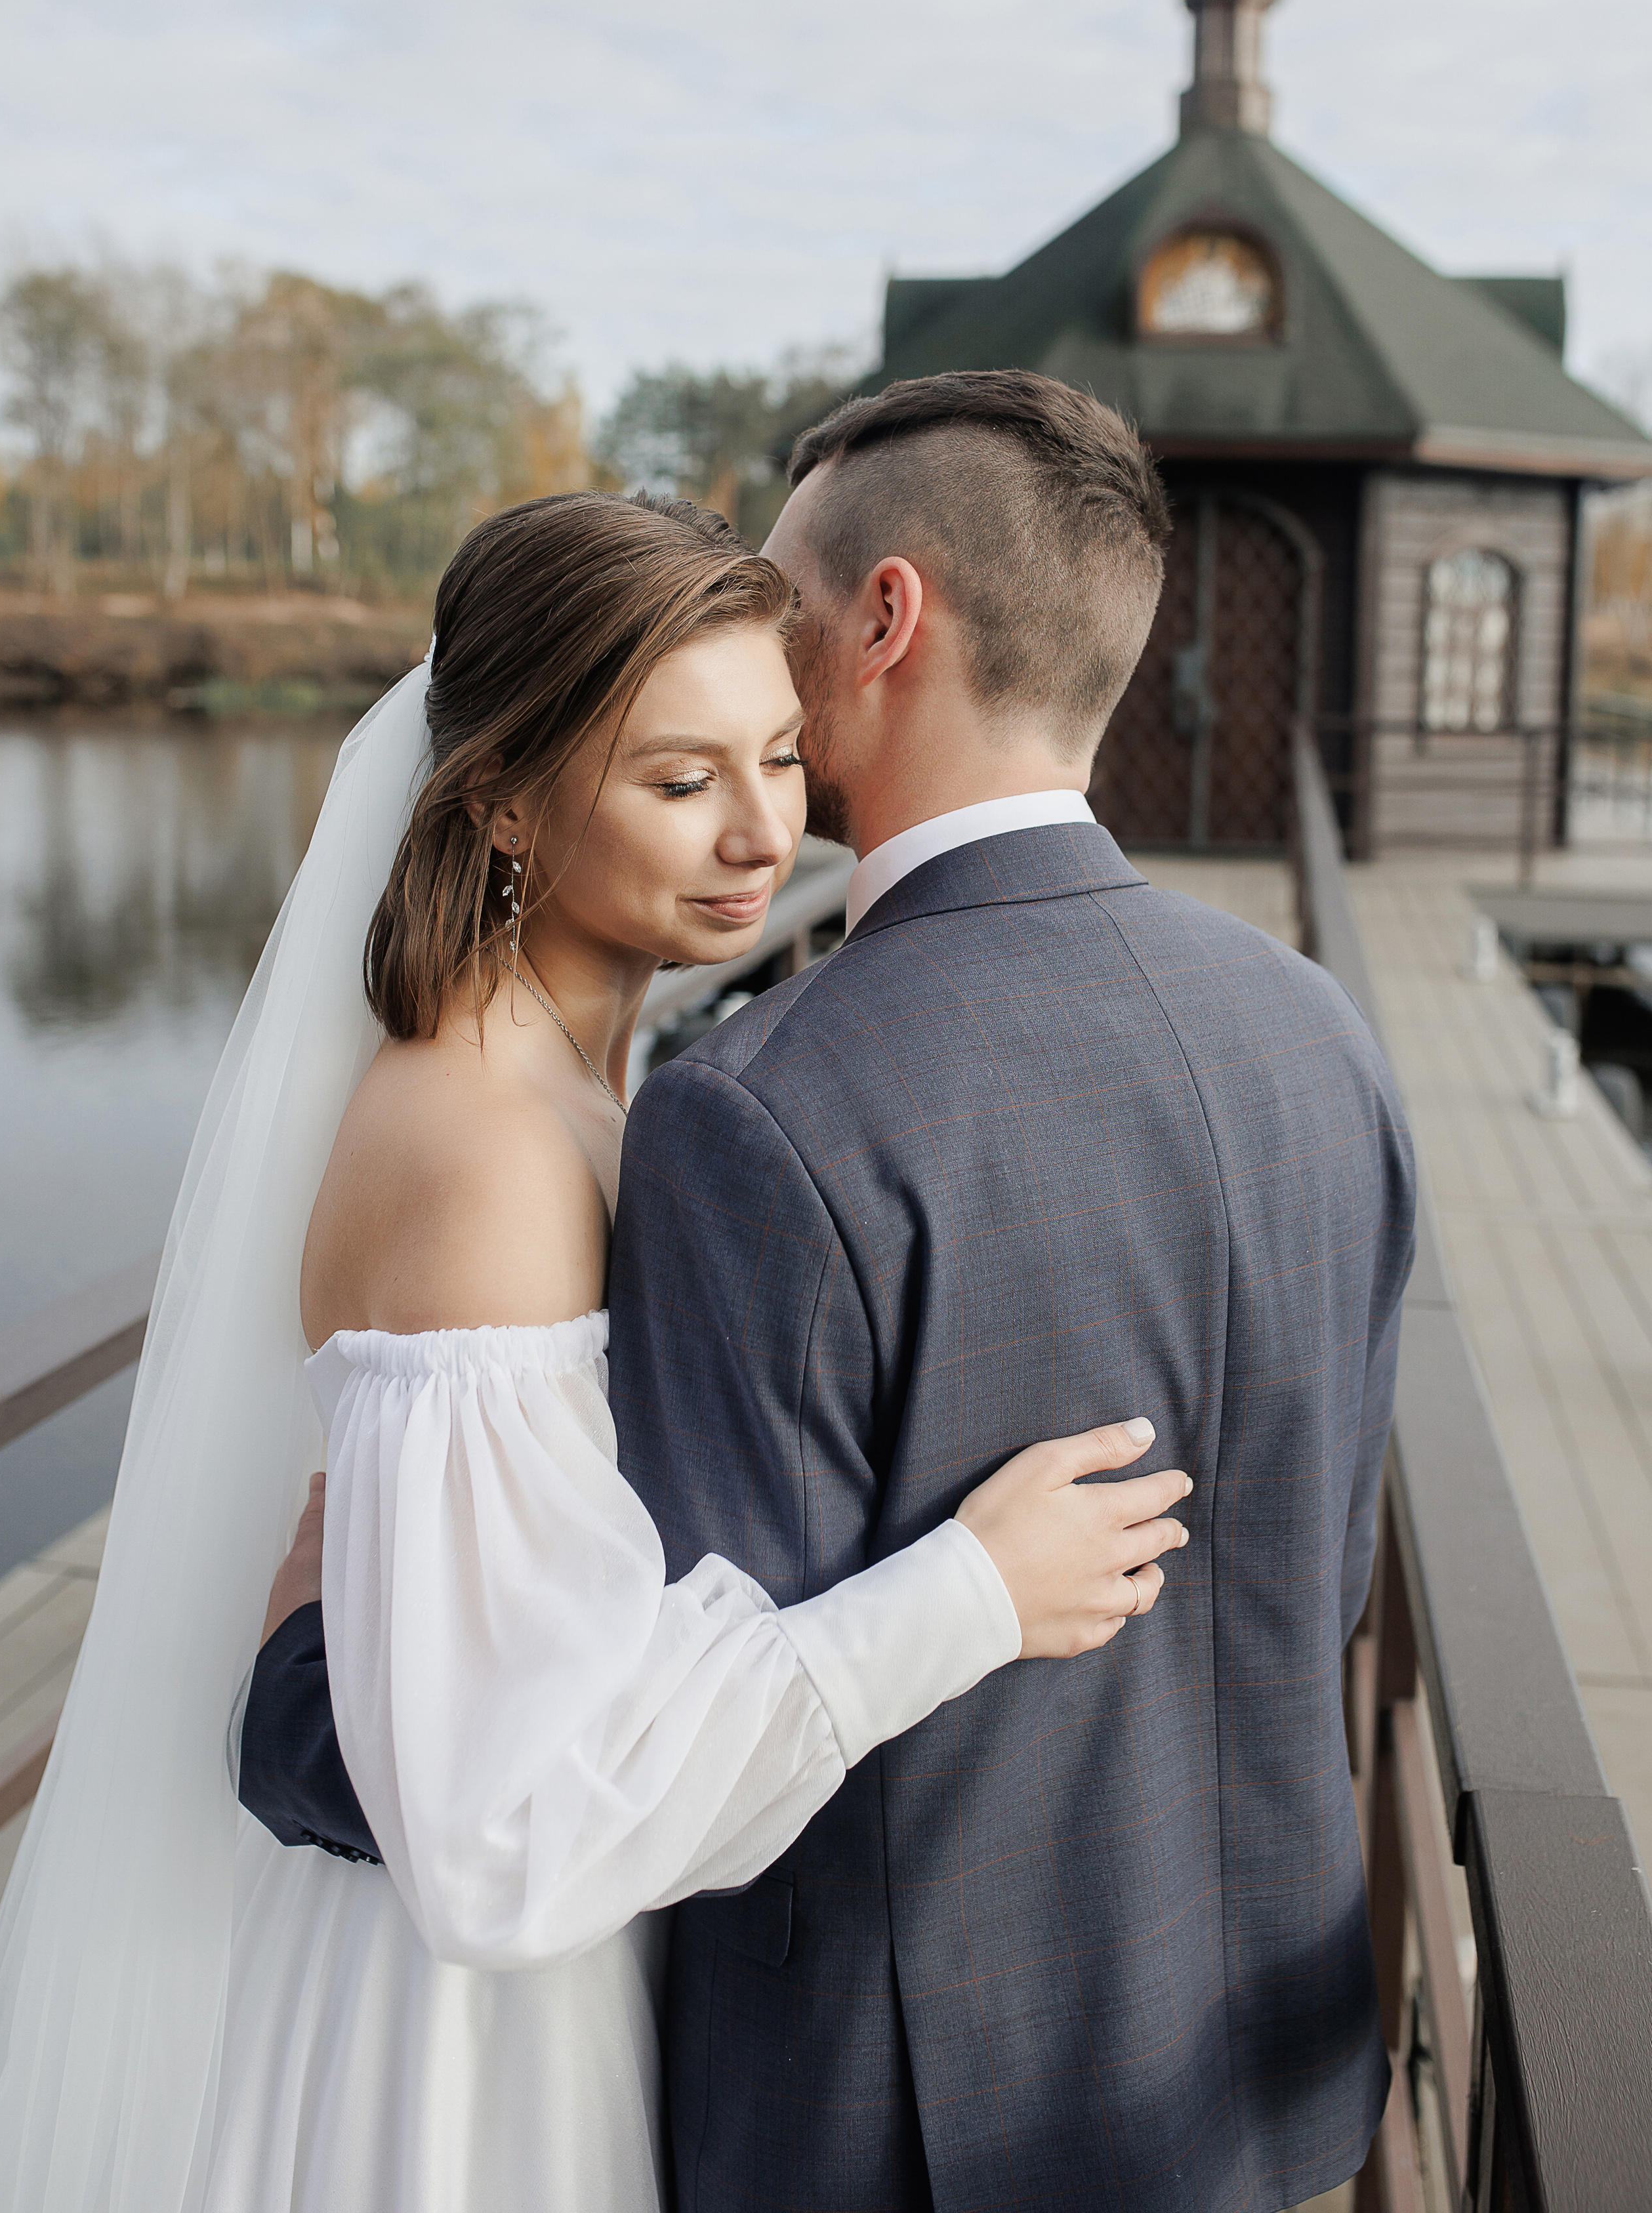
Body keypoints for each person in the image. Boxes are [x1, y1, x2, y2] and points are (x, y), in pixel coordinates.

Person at [250, 368, 1418, 2212]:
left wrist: (311, 1704)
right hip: (1249, 2074)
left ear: (885, 620)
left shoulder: (761, 1117)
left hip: (912, 2125)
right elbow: (1308, 1581)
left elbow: (623, 1722)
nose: (767, 684)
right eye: (686, 764)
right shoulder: (1323, 1035)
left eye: (784, 608)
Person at [0, 482, 1190, 2213]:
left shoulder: (572, 1076)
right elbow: (499, 1837)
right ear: (508, 810)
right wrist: (973, 1593)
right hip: (464, 2052)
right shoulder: (485, 1155)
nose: (762, 835)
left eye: (780, 755)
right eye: (680, 781)